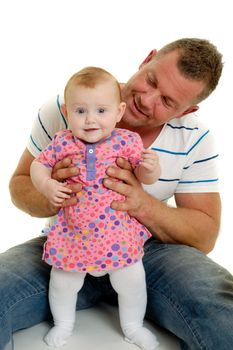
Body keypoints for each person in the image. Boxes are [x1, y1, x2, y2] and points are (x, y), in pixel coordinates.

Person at [4, 37, 233, 350]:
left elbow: (204, 235)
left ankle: (134, 324)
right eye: (151, 80)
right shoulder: (68, 107)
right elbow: (20, 185)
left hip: (143, 247)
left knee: (224, 313)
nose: (147, 99)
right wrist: (51, 191)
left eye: (167, 101)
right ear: (147, 59)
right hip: (70, 239)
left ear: (187, 110)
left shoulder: (195, 138)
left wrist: (141, 204)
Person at [30, 66, 160, 349]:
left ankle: (132, 326)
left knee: (132, 280)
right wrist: (47, 185)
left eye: (101, 111)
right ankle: (63, 324)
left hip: (117, 234)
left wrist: (151, 168)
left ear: (119, 111)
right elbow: (38, 165)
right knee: (63, 282)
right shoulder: (62, 142)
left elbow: (144, 176)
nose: (90, 120)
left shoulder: (127, 142)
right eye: (80, 111)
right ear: (66, 112)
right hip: (73, 233)